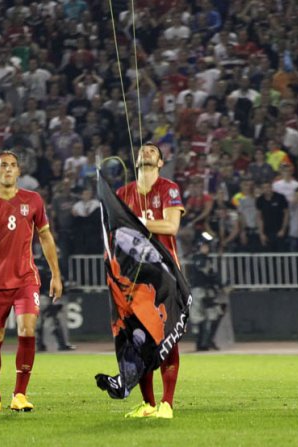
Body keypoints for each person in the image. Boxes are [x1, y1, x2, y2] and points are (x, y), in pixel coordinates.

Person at [0, 150, 62, 413]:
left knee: (28, 330)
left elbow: (46, 238)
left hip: (25, 280)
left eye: (13, 165)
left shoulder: (33, 200)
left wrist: (56, 274)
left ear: (19, 172)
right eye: (3, 165)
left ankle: (20, 394)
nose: (8, 169)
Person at [115, 143, 184, 419]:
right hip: (134, 277)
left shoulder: (169, 189)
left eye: (152, 151)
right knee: (139, 339)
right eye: (142, 150)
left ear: (160, 162)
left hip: (165, 274)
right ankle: (148, 404)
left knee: (167, 337)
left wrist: (138, 223)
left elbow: (171, 226)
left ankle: (167, 403)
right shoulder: (123, 193)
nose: (146, 152)